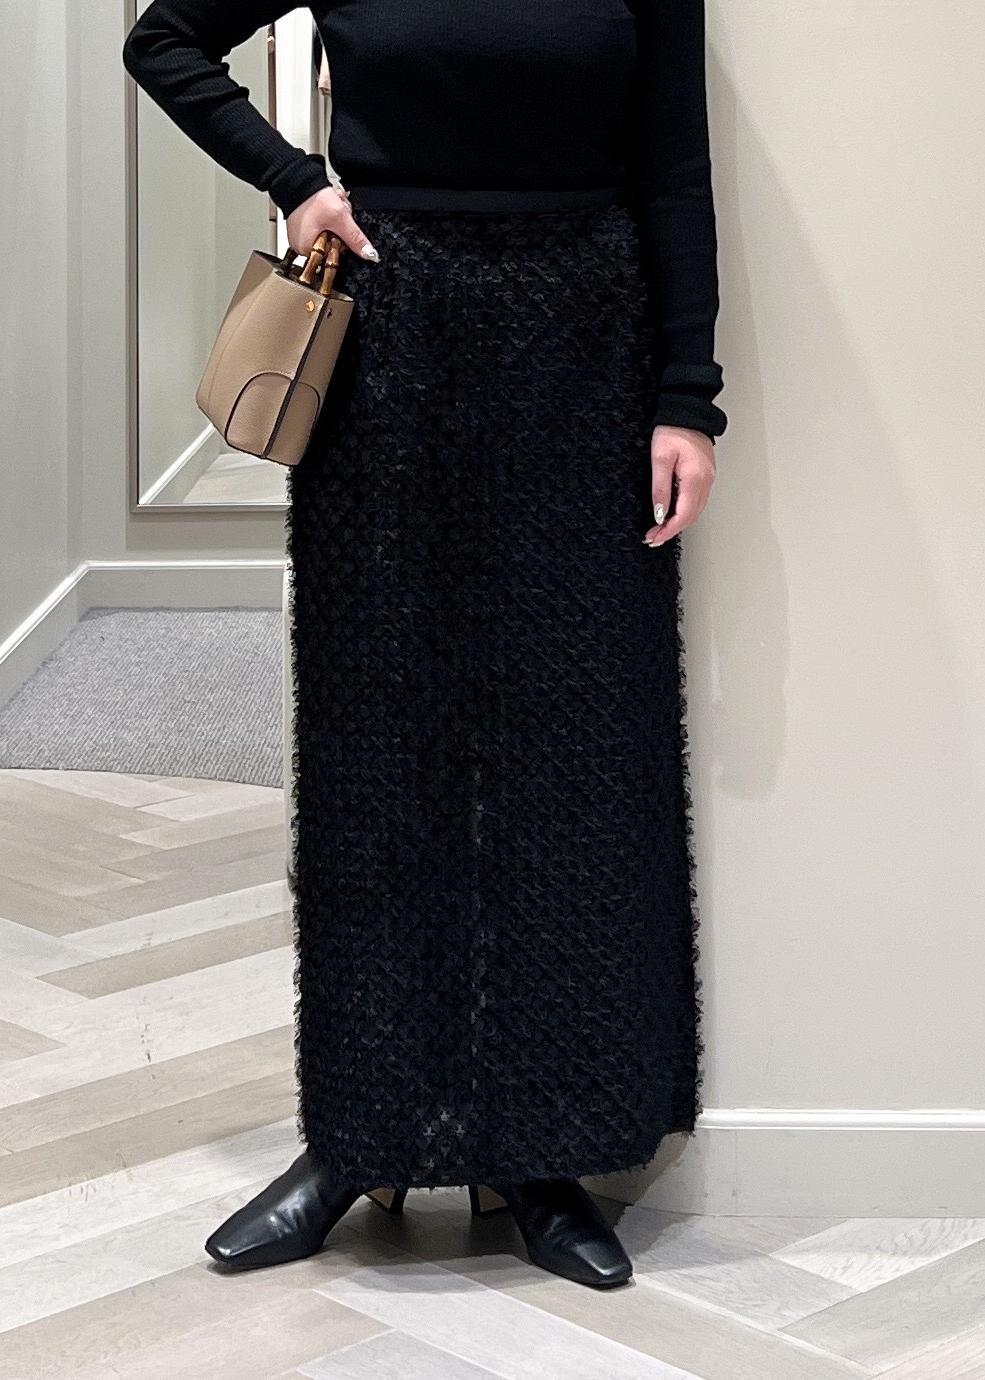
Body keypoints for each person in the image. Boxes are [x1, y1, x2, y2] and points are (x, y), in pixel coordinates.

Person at [122, 0, 728, 1291]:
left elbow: (675, 170)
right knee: (379, 747)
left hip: (584, 349)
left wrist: (688, 396)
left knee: (568, 753)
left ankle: (540, 1150)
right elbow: (164, 41)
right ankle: (361, 1138)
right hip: (390, 344)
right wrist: (295, 181)